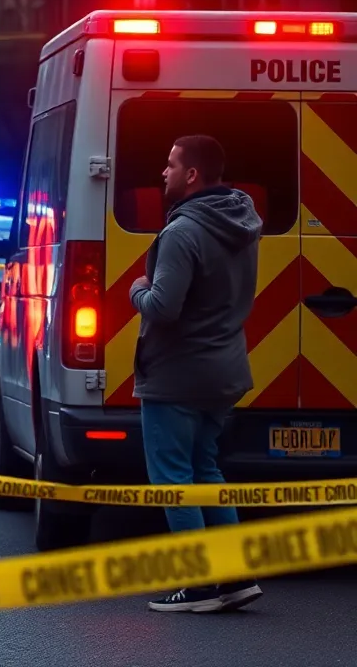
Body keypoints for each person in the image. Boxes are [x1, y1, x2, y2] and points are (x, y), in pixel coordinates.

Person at [129, 134, 264, 614]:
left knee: (174, 479)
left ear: (191, 174)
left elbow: (164, 308)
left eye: (170, 165)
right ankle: (233, 577)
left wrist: (138, 290)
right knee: (206, 470)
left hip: (176, 375)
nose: (162, 173)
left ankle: (199, 584)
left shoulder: (183, 232)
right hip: (223, 370)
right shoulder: (242, 224)